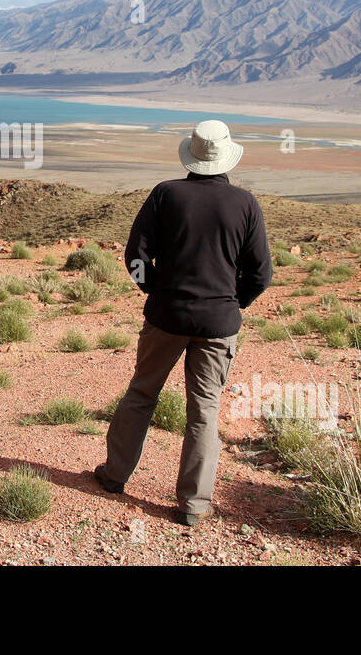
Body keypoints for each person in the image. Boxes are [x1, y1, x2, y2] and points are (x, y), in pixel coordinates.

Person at [93, 120, 272, 526]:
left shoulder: (166, 194)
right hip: (218, 324)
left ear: (191, 155)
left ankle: (114, 475)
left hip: (165, 317)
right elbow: (260, 273)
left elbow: (136, 255)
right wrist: (230, 303)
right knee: (205, 411)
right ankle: (193, 504)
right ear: (227, 157)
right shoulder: (245, 204)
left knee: (142, 393)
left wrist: (156, 293)